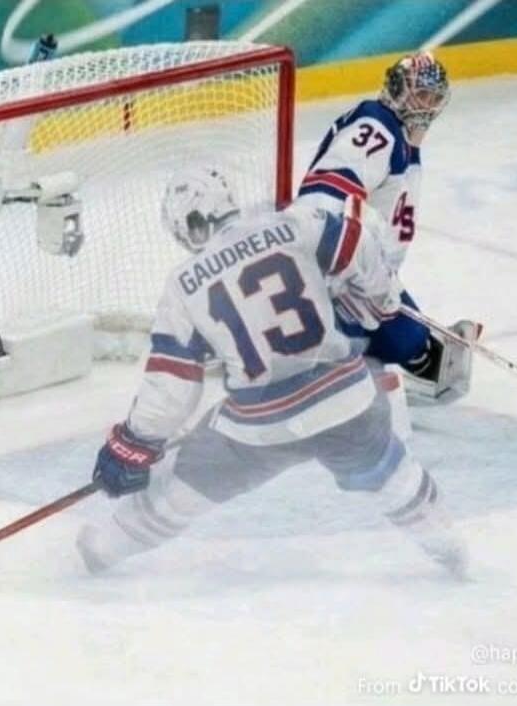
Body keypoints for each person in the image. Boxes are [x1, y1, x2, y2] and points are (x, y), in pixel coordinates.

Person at [76, 166, 467, 577]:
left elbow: (171, 385)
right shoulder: (298, 223)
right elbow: (357, 240)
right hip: (345, 399)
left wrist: (135, 443)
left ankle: (105, 547)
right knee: (389, 469)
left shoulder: (184, 284)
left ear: (186, 226)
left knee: (186, 480)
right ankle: (448, 544)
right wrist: (381, 300)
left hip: (260, 427)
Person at [297, 51, 479, 405]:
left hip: (366, 271)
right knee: (401, 342)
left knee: (413, 342)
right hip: (337, 264)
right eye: (420, 95)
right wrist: (333, 261)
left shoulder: (404, 140)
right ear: (397, 90)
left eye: (434, 98)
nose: (427, 107)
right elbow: (325, 195)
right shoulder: (377, 123)